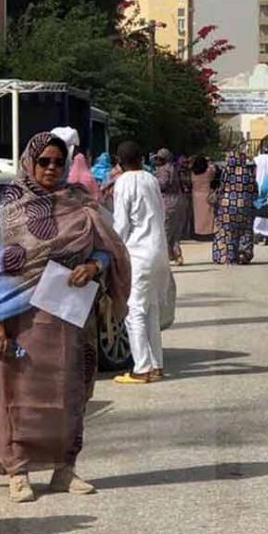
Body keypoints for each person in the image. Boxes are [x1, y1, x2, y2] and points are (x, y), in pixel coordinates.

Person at [0, 134, 131, 502]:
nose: (51, 168)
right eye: (44, 161)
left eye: (58, 162)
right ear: (29, 163)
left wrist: (92, 266)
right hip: (22, 319)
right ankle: (17, 471)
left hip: (70, 320)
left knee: (69, 393)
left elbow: (107, 249)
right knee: (19, 395)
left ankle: (64, 469)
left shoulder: (79, 203)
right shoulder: (11, 208)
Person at [111, 141, 172, 383]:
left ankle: (142, 368)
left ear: (119, 161)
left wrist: (113, 249)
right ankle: (156, 365)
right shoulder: (151, 179)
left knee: (134, 310)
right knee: (151, 310)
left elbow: (121, 223)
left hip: (138, 253)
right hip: (159, 250)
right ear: (141, 159)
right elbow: (161, 213)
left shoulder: (123, 182)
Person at [212, 143, 257, 265]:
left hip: (227, 205)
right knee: (245, 230)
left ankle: (229, 256)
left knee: (227, 231)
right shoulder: (247, 172)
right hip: (245, 204)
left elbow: (222, 187)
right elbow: (254, 188)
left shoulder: (227, 171)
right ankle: (244, 254)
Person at [153, 148, 189, 264]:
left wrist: (153, 181)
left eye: (159, 158)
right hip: (180, 200)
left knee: (166, 230)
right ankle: (177, 255)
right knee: (176, 231)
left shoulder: (164, 170)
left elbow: (163, 184)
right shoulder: (176, 168)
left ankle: (166, 256)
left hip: (168, 201)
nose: (157, 161)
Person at [190, 154, 216, 241]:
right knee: (208, 215)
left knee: (198, 216)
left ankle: (198, 232)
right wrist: (209, 163)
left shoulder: (193, 173)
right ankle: (208, 232)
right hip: (206, 194)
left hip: (196, 195)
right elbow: (214, 172)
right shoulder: (208, 172)